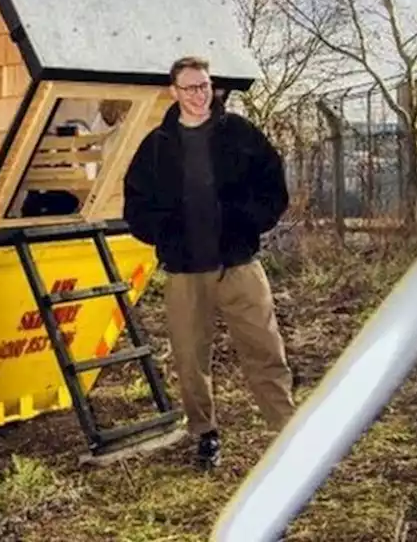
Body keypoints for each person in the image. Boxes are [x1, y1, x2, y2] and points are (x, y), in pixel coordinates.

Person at [122, 56, 295, 470]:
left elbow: (273, 186)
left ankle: (285, 431)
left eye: (204, 86)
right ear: (174, 92)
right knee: (189, 357)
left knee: (265, 348)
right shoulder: (157, 146)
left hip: (238, 264)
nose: (199, 95)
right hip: (185, 272)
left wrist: (246, 222)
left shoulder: (239, 134)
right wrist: (167, 235)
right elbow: (136, 206)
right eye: (189, 88)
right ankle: (205, 434)